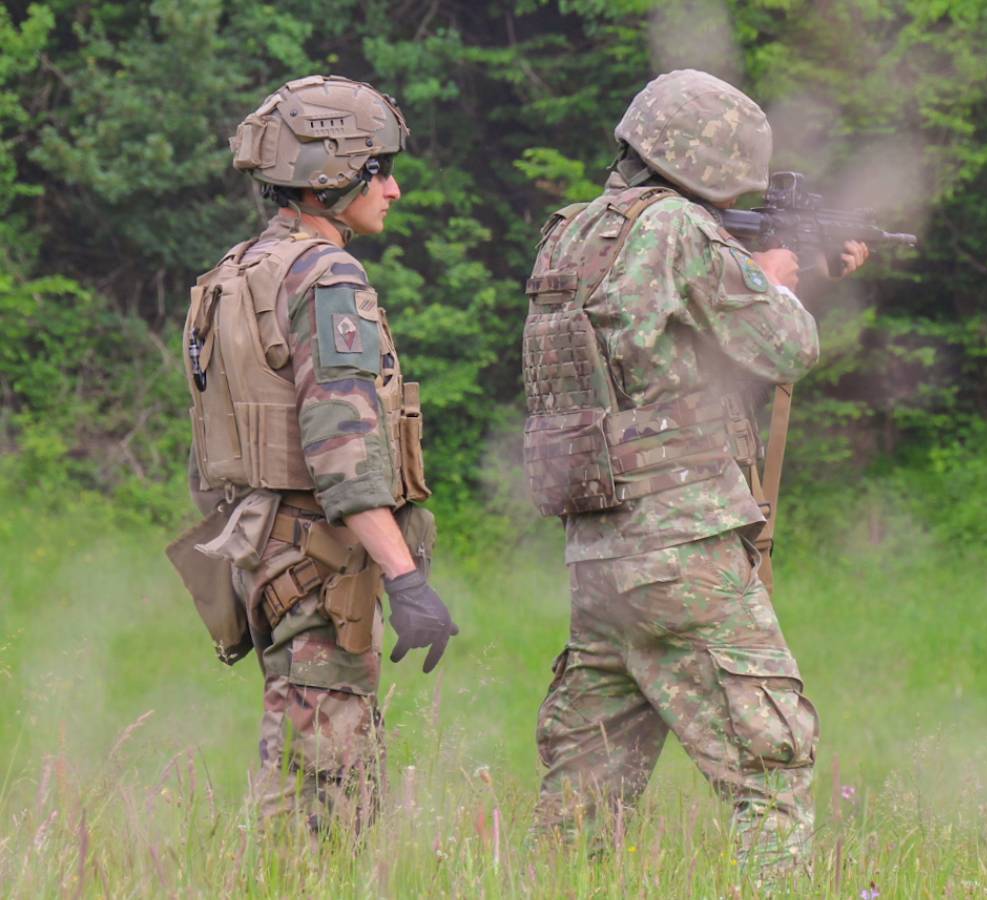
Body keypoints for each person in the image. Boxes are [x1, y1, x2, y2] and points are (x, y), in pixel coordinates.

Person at [521, 68, 869, 875]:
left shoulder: (573, 232)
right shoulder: (682, 230)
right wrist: (777, 280)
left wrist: (775, 272)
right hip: (686, 549)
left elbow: (662, 355)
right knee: (772, 765)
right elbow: (789, 347)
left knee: (582, 799)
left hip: (599, 553)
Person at [173, 75, 456, 834]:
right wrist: (404, 580)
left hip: (265, 557)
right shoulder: (327, 276)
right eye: (378, 171)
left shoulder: (232, 276)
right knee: (329, 790)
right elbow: (343, 452)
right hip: (321, 562)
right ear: (331, 178)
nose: (392, 189)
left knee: (300, 764)